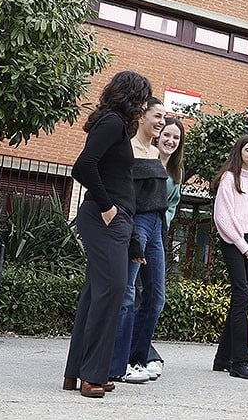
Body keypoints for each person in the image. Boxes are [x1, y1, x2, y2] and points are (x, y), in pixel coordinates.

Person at [63, 70, 152, 399]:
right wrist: (106, 207)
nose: (144, 106)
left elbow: (121, 183)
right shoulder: (112, 123)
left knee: (95, 295)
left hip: (117, 221)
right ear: (131, 97)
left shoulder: (116, 126)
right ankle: (92, 375)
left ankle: (76, 373)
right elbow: (83, 166)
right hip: (104, 218)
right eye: (142, 99)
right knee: (111, 291)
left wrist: (133, 241)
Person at [109, 97, 168, 384]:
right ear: (141, 116)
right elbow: (126, 196)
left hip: (156, 225)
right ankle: (118, 364)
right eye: (157, 116)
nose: (162, 122)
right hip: (137, 224)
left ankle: (137, 358)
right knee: (127, 294)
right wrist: (132, 234)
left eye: (164, 118)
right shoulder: (127, 149)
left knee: (156, 297)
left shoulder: (156, 153)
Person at [211, 134, 248, 380]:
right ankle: (240, 362)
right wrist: (244, 247)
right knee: (243, 296)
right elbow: (223, 218)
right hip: (233, 242)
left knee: (240, 299)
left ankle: (222, 358)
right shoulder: (228, 178)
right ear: (239, 152)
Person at [145, 116, 185, 377]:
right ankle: (142, 353)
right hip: (139, 231)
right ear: (158, 136)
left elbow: (172, 205)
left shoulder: (176, 172)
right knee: (136, 294)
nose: (170, 141)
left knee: (155, 297)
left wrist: (163, 222)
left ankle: (143, 349)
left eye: (176, 137)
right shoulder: (145, 160)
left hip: (159, 234)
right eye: (167, 135)